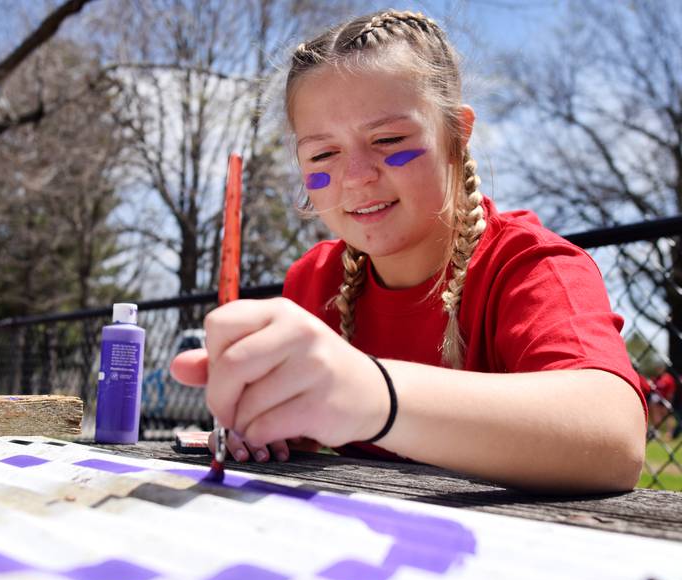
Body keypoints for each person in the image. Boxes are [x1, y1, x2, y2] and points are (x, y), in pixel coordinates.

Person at [170, 9, 647, 493]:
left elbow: (614, 438)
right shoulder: (313, 282)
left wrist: (376, 397)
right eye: (323, 154)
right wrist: (269, 426)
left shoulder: (532, 266)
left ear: (457, 135)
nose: (356, 176)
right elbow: (307, 439)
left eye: (389, 140)